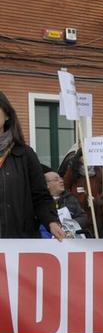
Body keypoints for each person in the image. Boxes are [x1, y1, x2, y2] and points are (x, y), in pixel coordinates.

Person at [0, 92, 63, 239]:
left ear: (7, 115)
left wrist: (51, 221)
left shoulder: (25, 154)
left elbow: (40, 197)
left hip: (19, 243)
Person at [63, 148, 103, 225]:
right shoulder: (72, 171)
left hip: (94, 209)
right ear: (79, 158)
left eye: (88, 156)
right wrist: (72, 200)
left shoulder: (98, 171)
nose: (86, 158)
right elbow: (64, 188)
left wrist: (101, 199)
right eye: (83, 156)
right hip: (77, 211)